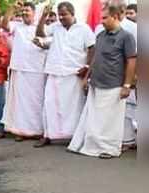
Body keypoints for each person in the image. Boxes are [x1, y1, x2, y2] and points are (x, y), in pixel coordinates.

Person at [68, 4, 137, 159]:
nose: (102, 21)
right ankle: (92, 147)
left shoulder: (126, 37)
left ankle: (110, 149)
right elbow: (95, 59)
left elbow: (131, 61)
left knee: (110, 120)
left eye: (105, 18)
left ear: (115, 17)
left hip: (114, 84)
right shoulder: (100, 35)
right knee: (95, 118)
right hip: (97, 83)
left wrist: (127, 85)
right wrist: (87, 78)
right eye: (101, 18)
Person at [34, 1, 95, 147]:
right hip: (55, 71)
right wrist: (43, 16)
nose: (61, 18)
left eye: (64, 14)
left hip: (74, 73)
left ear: (73, 14)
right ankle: (48, 135)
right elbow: (40, 33)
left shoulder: (84, 29)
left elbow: (93, 49)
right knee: (49, 104)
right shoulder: (56, 27)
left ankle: (75, 136)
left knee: (74, 106)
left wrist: (87, 66)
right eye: (59, 14)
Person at [2, 2, 48, 142]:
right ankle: (21, 131)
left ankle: (38, 130)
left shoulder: (42, 27)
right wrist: (11, 9)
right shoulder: (17, 26)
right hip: (20, 69)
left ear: (34, 13)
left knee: (37, 101)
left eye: (27, 11)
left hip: (37, 70)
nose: (24, 13)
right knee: (20, 104)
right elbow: (4, 25)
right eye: (23, 11)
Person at [95, 2, 137, 152]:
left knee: (130, 110)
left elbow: (132, 58)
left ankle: (129, 140)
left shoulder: (131, 29)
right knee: (119, 112)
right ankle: (121, 140)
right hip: (106, 78)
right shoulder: (101, 30)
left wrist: (129, 81)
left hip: (127, 76)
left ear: (118, 13)